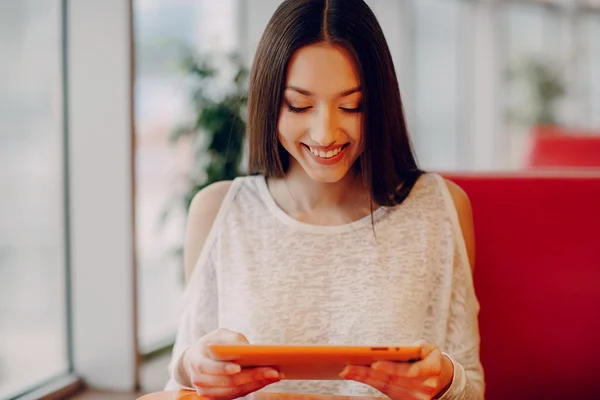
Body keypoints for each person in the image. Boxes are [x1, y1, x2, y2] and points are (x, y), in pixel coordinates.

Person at [165, 0, 484, 399]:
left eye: (353, 105)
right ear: (269, 101)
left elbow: (471, 387)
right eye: (298, 105)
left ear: (380, 103)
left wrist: (445, 382)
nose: (324, 133)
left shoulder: (440, 208)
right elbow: (179, 382)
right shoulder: (218, 212)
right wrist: (193, 366)